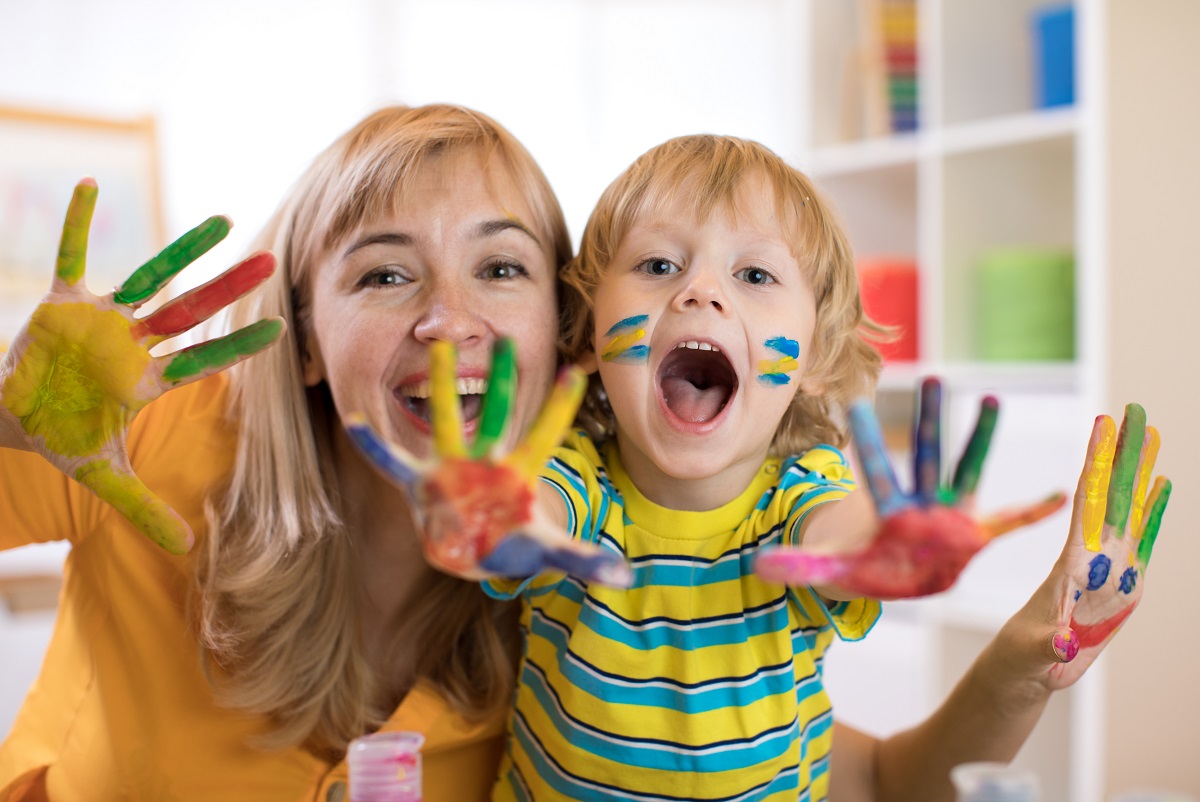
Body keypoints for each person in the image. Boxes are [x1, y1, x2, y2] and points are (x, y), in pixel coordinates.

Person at [0, 105, 1169, 802]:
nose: (447, 319)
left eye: (499, 267)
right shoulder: (142, 439)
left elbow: (862, 770)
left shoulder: (571, 592)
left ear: (560, 336)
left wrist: (1021, 646)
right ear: (305, 337)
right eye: (383, 271)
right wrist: (10, 416)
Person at [349, 133, 1091, 801]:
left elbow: (836, 533)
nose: (700, 290)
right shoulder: (582, 483)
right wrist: (498, 516)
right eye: (659, 264)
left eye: (756, 276)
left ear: (819, 358)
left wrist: (885, 543)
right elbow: (537, 512)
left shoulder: (797, 498)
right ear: (588, 336)